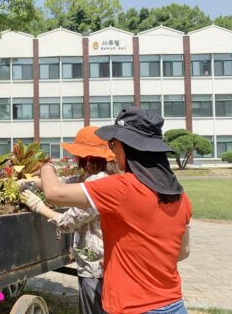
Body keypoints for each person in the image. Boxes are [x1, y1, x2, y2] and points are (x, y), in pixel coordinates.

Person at [23, 107, 191, 314]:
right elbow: (183, 252)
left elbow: (54, 193)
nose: (112, 150)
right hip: (173, 304)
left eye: (113, 143)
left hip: (131, 306)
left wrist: (45, 166)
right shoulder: (181, 196)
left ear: (128, 147)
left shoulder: (122, 188)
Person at [21, 126, 117, 314]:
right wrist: (30, 182)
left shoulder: (97, 182)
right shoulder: (95, 177)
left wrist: (39, 207)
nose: (75, 159)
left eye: (77, 155)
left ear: (87, 158)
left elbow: (69, 221)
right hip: (97, 263)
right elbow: (64, 184)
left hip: (96, 267)